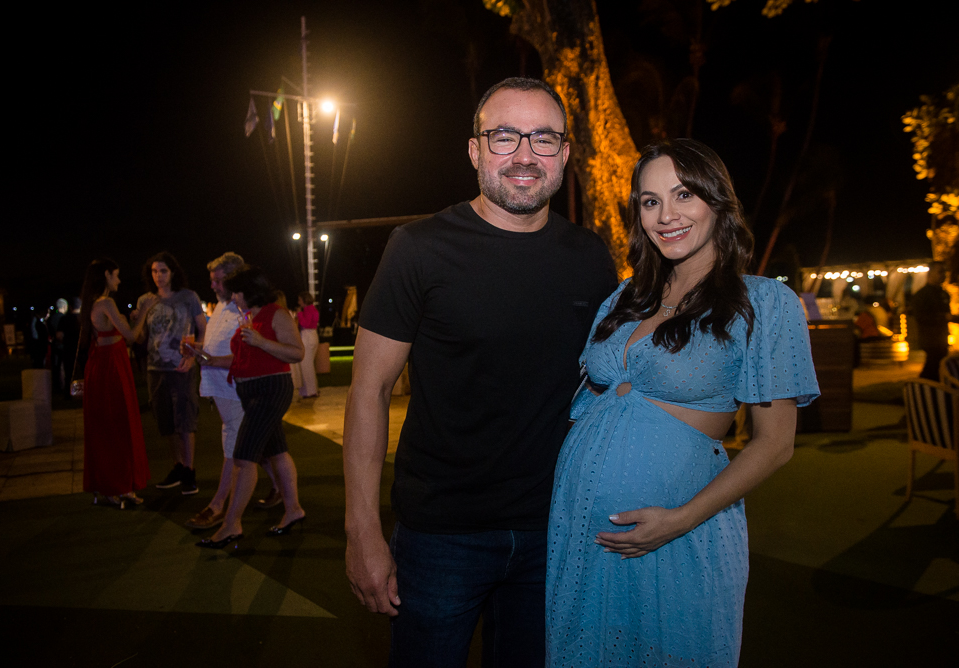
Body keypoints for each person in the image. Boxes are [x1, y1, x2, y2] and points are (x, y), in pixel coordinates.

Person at [343, 77, 618, 666]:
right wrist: (361, 529)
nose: (525, 154)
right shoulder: (418, 248)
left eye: (543, 138)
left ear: (565, 154)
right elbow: (369, 390)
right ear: (474, 150)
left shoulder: (591, 257)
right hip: (442, 534)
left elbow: (605, 386)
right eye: (504, 136)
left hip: (555, 528)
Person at [546, 139, 820, 666]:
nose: (666, 215)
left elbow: (775, 445)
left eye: (683, 195)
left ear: (717, 201)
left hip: (679, 533)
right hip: (580, 527)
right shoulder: (624, 297)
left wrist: (680, 519)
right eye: (650, 202)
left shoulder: (763, 302)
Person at [195, 265, 305, 548]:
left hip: (270, 390)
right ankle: (293, 509)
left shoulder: (276, 314)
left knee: (243, 458)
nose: (233, 298)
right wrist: (209, 359)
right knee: (277, 451)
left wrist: (262, 341)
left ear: (250, 291)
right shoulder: (248, 317)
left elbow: (297, 352)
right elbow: (242, 359)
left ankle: (231, 524)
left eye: (237, 293)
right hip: (251, 392)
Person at [78, 259, 157, 507]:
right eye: (116, 275)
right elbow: (131, 336)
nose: (119, 281)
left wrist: (135, 318)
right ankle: (118, 487)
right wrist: (145, 311)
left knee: (107, 427)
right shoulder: (106, 302)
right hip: (112, 366)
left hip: (102, 365)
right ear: (106, 275)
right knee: (119, 425)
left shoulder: (92, 303)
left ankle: (113, 486)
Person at [182, 252, 246, 530]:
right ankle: (288, 500)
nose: (213, 286)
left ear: (233, 279)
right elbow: (215, 346)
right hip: (219, 389)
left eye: (218, 280)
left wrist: (210, 360)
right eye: (212, 280)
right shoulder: (220, 306)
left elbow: (248, 356)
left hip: (235, 390)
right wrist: (196, 349)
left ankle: (219, 505)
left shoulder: (244, 309)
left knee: (234, 447)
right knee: (262, 445)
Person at [137, 251, 206, 495]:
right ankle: (177, 466)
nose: (159, 276)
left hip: (181, 366)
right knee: (165, 420)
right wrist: (138, 316)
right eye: (154, 271)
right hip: (155, 368)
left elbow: (202, 328)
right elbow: (141, 337)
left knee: (185, 419)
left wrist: (194, 355)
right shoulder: (145, 300)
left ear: (173, 272)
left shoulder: (188, 297)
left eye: (163, 271)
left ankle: (189, 470)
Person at [911, 261, 951, 381]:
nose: (943, 275)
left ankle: (929, 388)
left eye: (944, 272)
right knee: (932, 366)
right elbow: (920, 317)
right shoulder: (922, 295)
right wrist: (942, 317)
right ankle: (921, 387)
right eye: (940, 272)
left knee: (938, 367)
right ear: (930, 273)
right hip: (930, 338)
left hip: (942, 337)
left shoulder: (943, 294)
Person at [294, 291, 320, 399]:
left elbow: (305, 323)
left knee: (306, 365)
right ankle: (312, 389)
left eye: (300, 300)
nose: (299, 302)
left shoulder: (308, 310)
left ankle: (309, 391)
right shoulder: (313, 309)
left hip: (307, 336)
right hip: (313, 335)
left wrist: (299, 314)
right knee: (309, 365)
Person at [58, 298, 82, 398]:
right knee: (83, 371)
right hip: (81, 348)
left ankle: (68, 393)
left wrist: (65, 341)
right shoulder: (83, 319)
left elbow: (59, 335)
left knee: (68, 372)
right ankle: (83, 391)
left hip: (68, 348)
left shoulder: (64, 319)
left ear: (70, 307)